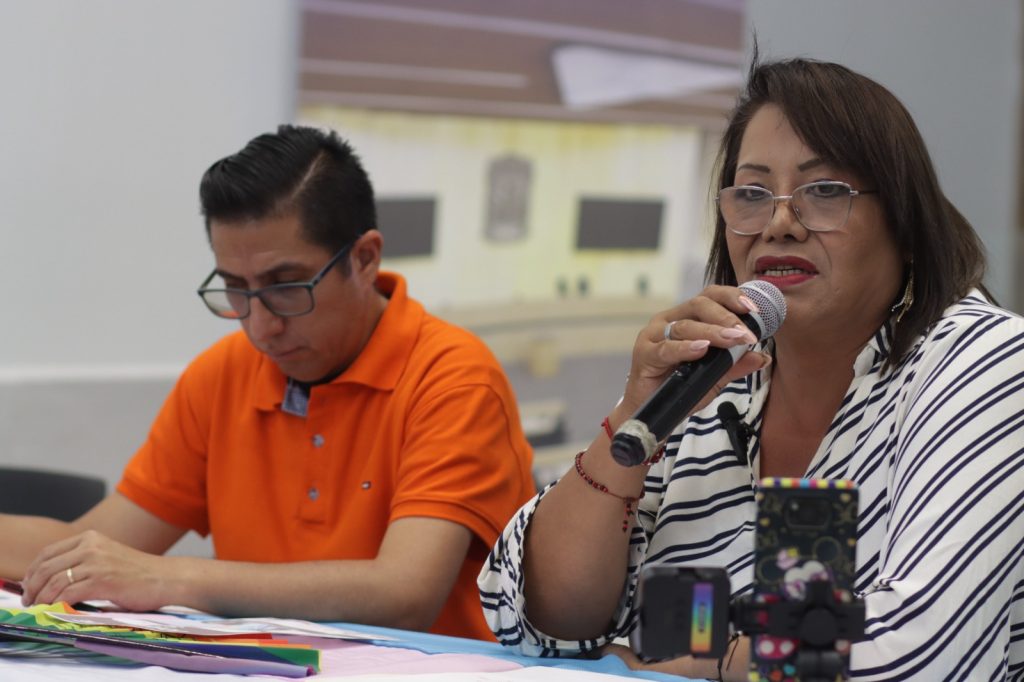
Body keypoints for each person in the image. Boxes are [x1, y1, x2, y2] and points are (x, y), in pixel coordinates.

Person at [479, 56, 1024, 679]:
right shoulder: (713, 384)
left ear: (903, 218)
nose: (780, 224)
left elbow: (915, 655)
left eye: (825, 192)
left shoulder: (988, 361)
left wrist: (677, 666)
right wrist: (634, 413)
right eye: (753, 194)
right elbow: (535, 620)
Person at [2, 124, 534, 641]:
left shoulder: (452, 379)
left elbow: (404, 593)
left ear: (365, 259)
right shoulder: (221, 375)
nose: (261, 327)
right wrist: (118, 568)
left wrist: (170, 577)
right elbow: (86, 547)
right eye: (236, 288)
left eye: (286, 286)